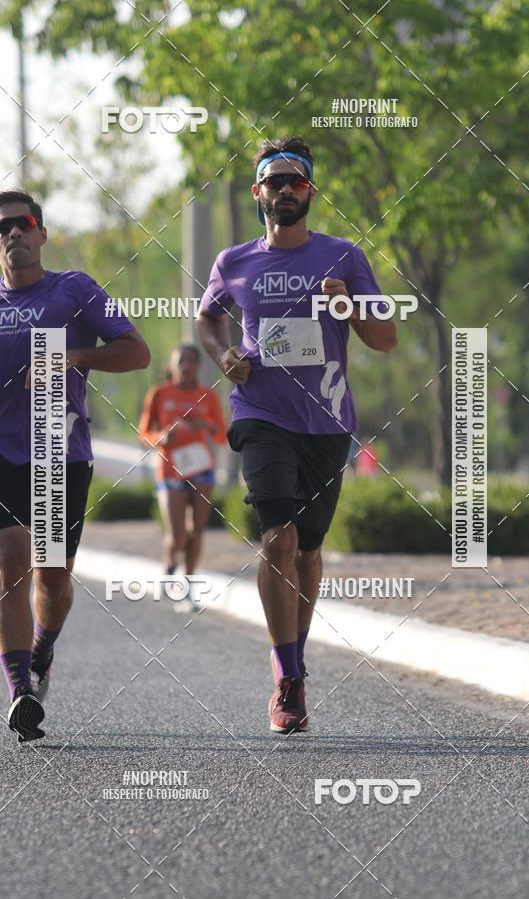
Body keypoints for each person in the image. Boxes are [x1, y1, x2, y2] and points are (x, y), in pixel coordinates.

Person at [196, 136, 397, 733]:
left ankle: (296, 660)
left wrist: (351, 308)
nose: (286, 190)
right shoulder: (233, 262)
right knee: (277, 538)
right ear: (257, 192)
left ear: (310, 191)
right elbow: (207, 318)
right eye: (275, 181)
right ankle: (285, 677)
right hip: (260, 412)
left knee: (307, 551)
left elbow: (386, 340)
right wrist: (223, 354)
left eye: (297, 181)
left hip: (327, 421)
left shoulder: (344, 257)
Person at [0, 190, 150, 742]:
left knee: (52, 575)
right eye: (3, 227)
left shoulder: (75, 290)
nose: (14, 233)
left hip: (58, 449)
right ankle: (20, 690)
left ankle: (42, 649)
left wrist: (72, 356)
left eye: (24, 223)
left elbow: (136, 351)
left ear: (42, 233)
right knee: (9, 566)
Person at [138, 344, 227, 584]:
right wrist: (162, 437)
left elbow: (222, 436)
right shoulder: (159, 393)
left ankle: (188, 583)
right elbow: (144, 433)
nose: (186, 366)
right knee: (178, 535)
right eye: (181, 361)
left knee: (197, 531)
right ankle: (170, 560)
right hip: (170, 470)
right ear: (172, 366)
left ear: (198, 365)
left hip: (201, 467)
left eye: (191, 360)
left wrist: (206, 426)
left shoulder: (208, 395)